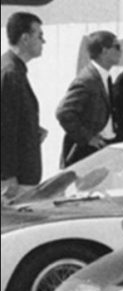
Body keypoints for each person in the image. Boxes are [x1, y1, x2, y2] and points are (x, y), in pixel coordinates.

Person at [55, 31, 120, 167]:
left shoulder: (104, 77)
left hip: (102, 149)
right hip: (85, 153)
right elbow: (64, 112)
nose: (120, 51)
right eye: (117, 47)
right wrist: (88, 138)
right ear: (104, 51)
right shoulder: (87, 80)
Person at [1, 11, 46, 203]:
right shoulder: (10, 73)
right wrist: (7, 175)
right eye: (40, 36)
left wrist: (32, 129)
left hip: (21, 176)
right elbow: (4, 128)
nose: (43, 41)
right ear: (25, 39)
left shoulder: (14, 70)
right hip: (15, 181)